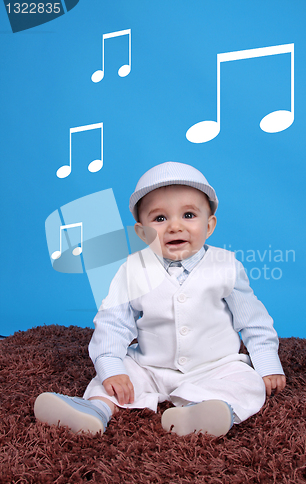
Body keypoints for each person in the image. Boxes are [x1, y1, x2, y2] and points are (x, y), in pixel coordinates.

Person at [34, 161, 286, 437]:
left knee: (245, 380)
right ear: (142, 232)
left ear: (210, 225)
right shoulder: (132, 269)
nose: (175, 227)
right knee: (115, 378)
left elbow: (253, 320)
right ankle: (95, 410)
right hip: (150, 366)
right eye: (160, 219)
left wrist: (267, 362)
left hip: (215, 366)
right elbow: (113, 323)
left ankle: (201, 410)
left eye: (189, 215)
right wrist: (111, 368)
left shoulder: (225, 265)